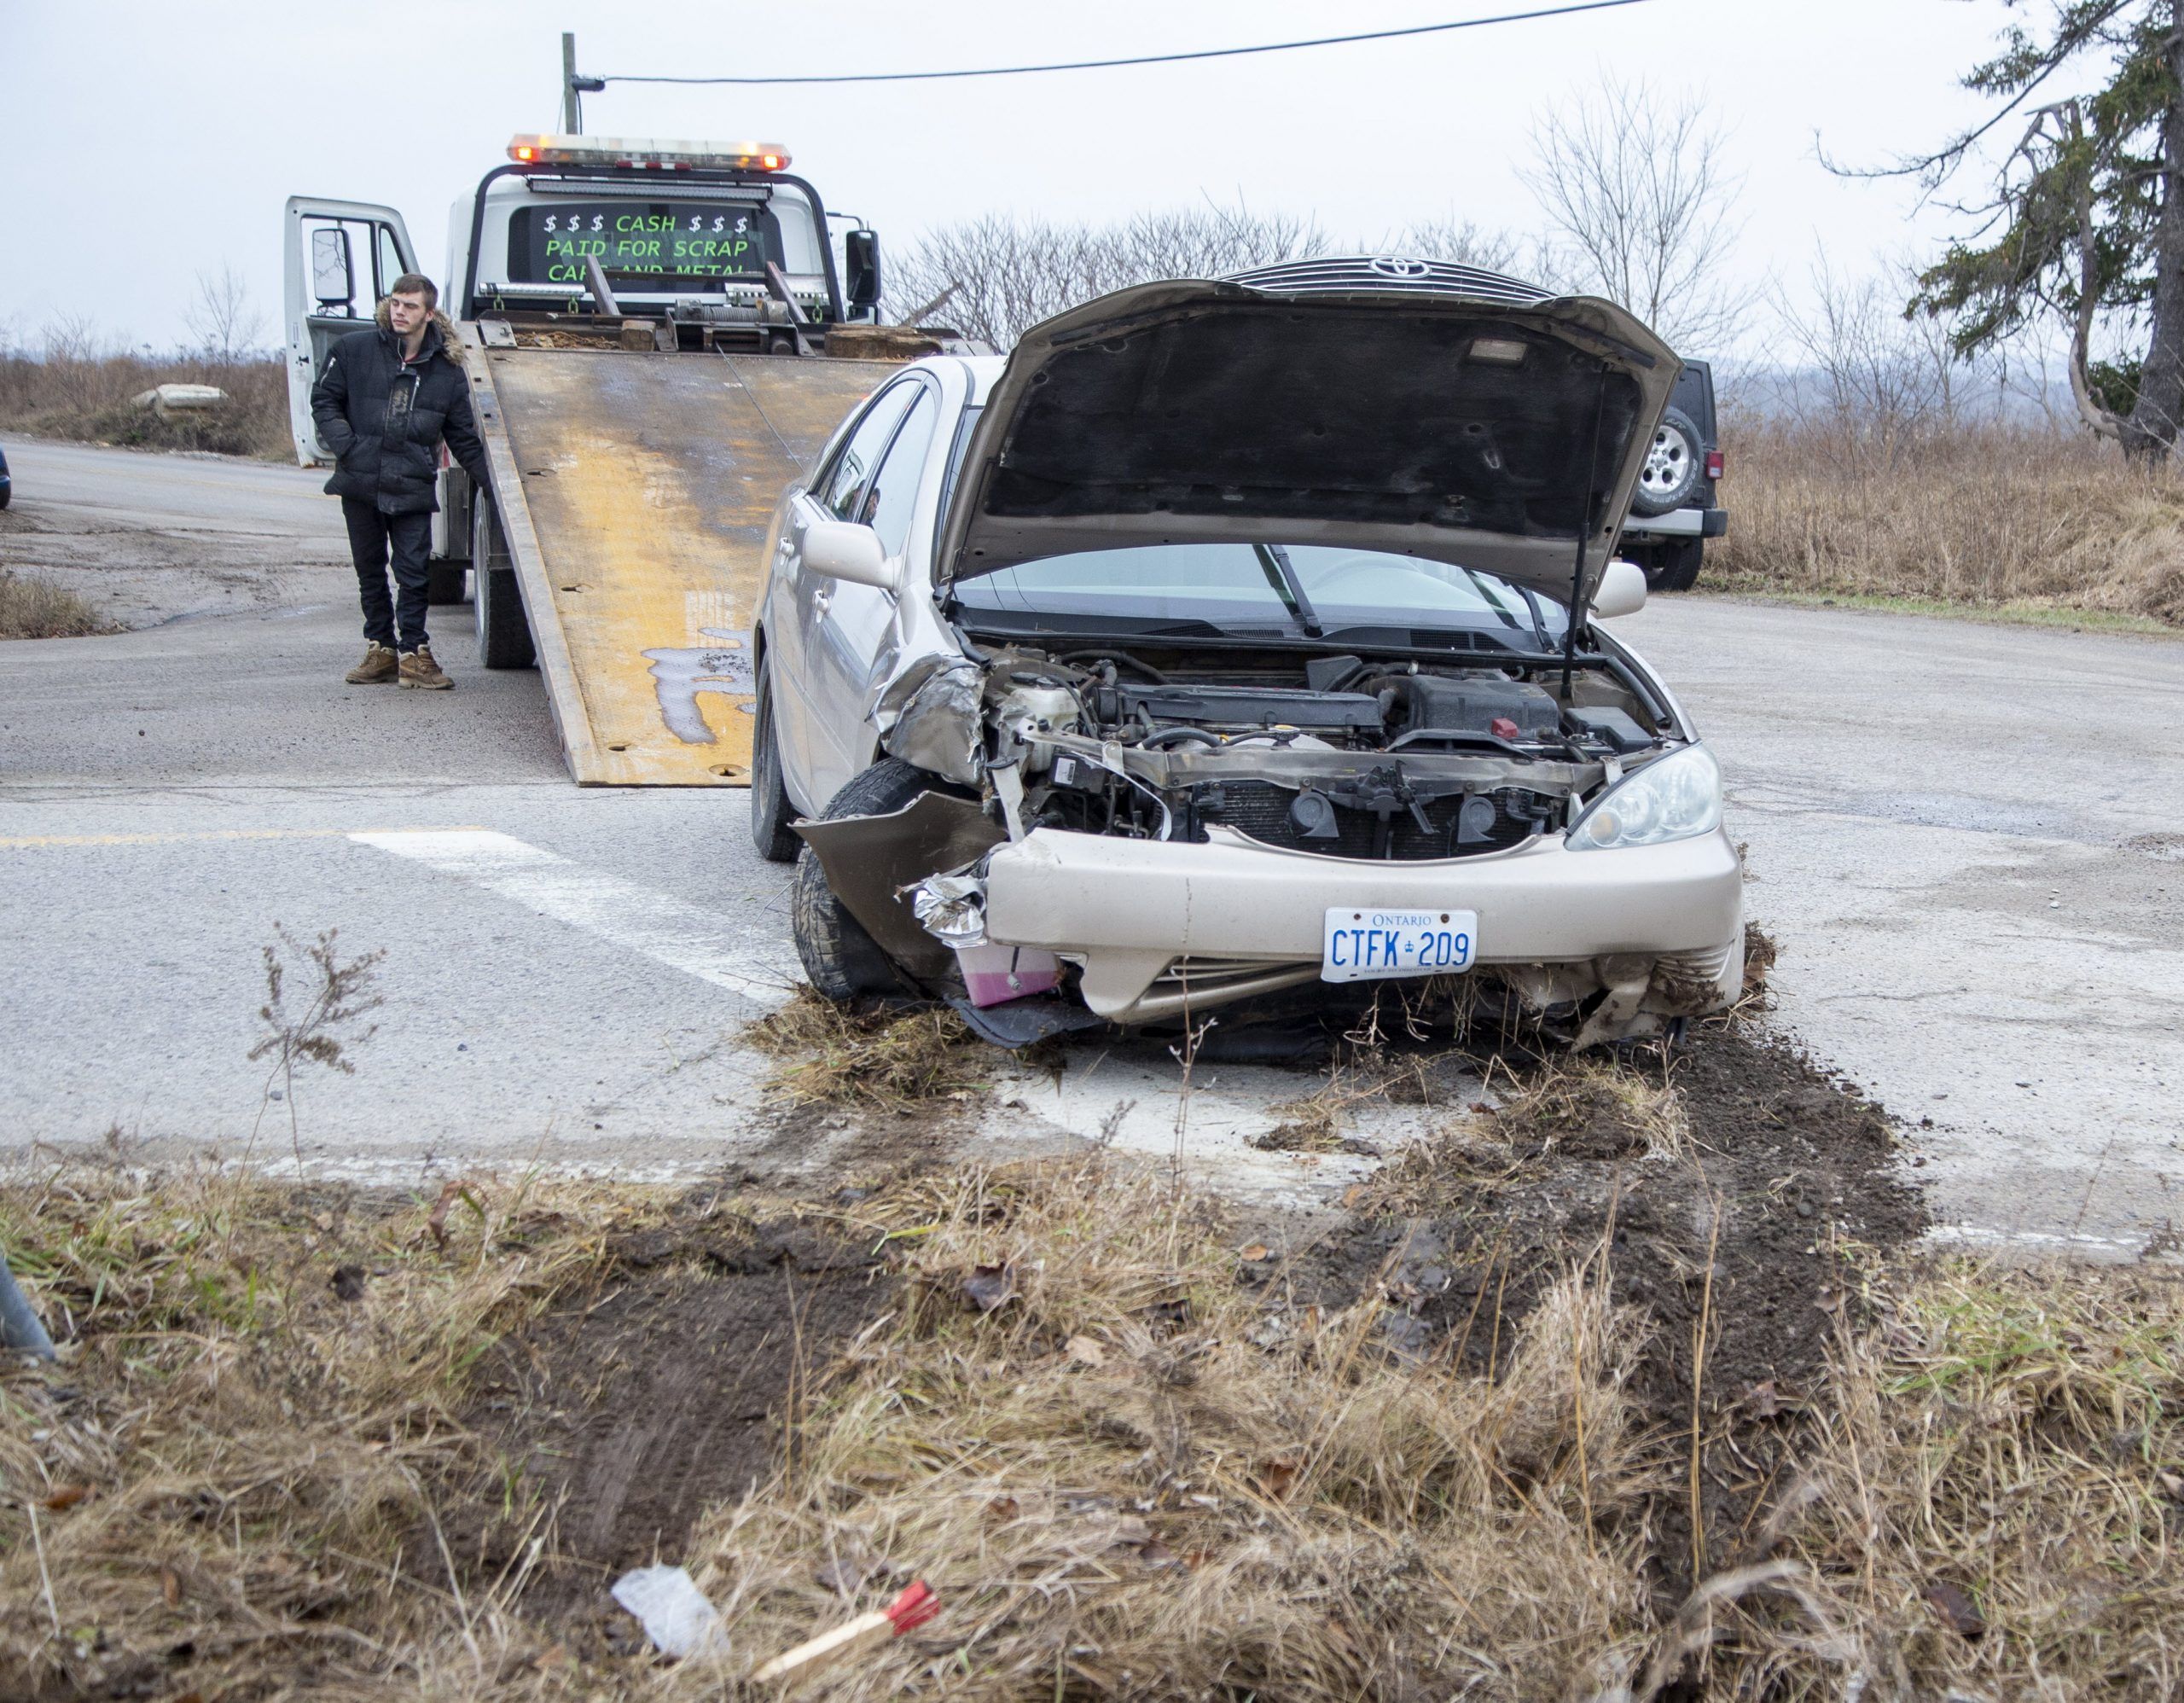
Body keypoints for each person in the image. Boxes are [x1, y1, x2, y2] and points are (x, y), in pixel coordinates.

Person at [311, 273, 489, 689]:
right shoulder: (353, 350)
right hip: (361, 480)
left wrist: (495, 488)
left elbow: (462, 436)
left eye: (409, 306)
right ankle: (380, 650)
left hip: (411, 483)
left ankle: (414, 654)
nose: (399, 312)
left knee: (413, 572)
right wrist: (348, 447)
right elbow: (324, 400)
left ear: (429, 313)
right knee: (369, 569)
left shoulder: (447, 371)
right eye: (395, 303)